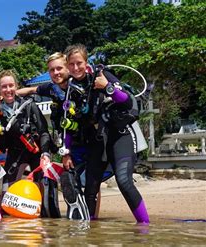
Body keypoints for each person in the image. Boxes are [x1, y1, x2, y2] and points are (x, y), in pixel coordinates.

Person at [65, 44, 149, 223]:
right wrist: (67, 151)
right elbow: (71, 127)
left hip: (120, 135)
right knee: (90, 187)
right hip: (98, 141)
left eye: (79, 63)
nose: (75, 68)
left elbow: (128, 103)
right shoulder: (72, 90)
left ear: (86, 62)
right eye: (71, 64)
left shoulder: (102, 75)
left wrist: (108, 87)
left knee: (124, 182)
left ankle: (145, 228)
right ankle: (91, 231)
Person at [16, 52, 93, 219]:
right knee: (71, 183)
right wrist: (10, 94)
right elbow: (30, 89)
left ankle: (93, 220)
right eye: (52, 70)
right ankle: (83, 223)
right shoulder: (51, 88)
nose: (56, 73)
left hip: (89, 140)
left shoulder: (80, 85)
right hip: (69, 143)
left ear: (68, 67)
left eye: (59, 68)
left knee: (92, 185)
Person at [0, 70, 59, 218]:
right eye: (4, 87)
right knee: (5, 198)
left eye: (11, 85)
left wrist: (45, 154)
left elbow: (44, 131)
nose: (8, 90)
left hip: (36, 151)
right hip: (15, 153)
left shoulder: (29, 105)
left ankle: (47, 226)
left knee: (45, 192)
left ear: (16, 86)